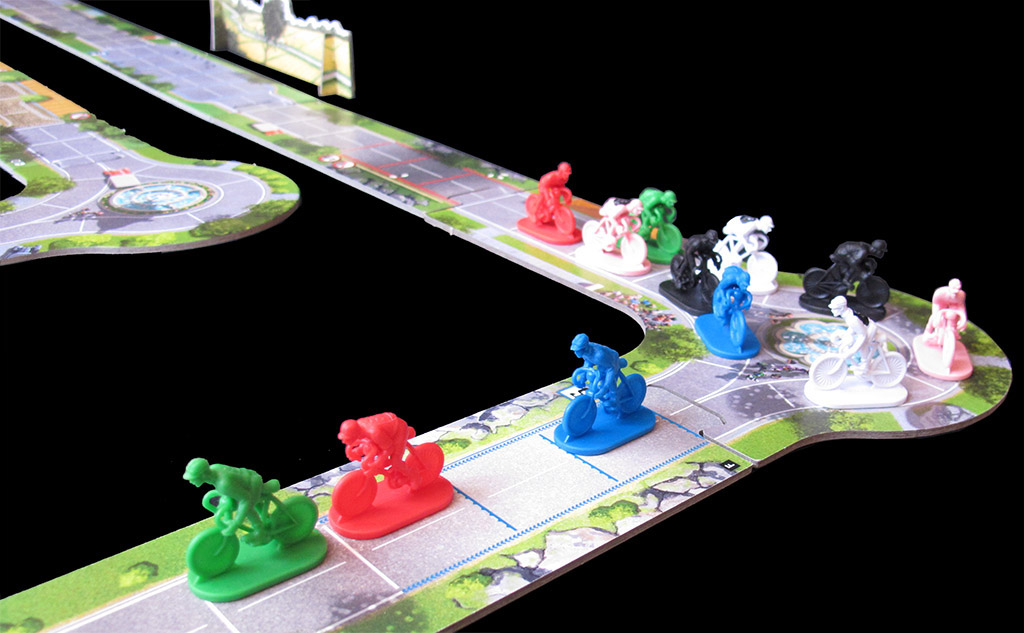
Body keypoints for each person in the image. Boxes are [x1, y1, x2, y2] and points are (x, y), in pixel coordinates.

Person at [183, 458, 279, 542]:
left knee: (247, 507)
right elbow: (232, 485)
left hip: (253, 483)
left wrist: (236, 522)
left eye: (194, 478)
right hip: (245, 480)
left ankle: (260, 531)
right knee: (236, 504)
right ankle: (265, 516)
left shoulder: (224, 484)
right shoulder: (214, 468)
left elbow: (245, 500)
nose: (191, 481)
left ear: (204, 474)